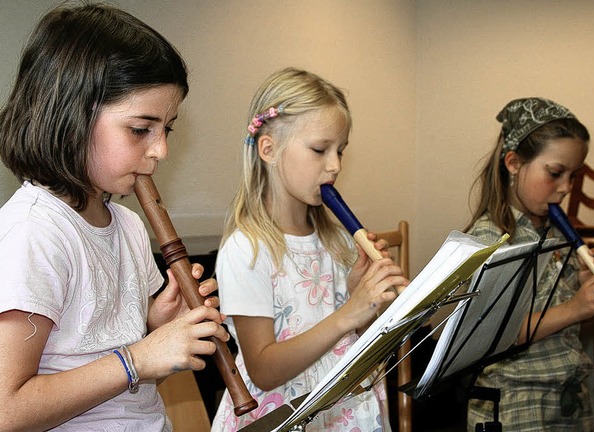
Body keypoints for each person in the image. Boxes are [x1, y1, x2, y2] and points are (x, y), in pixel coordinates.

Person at [0, 4, 229, 430]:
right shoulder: (33, 231)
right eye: (141, 129)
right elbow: (7, 410)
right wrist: (140, 358)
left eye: (168, 129)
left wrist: (157, 325)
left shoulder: (127, 225)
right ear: (71, 116)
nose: (160, 149)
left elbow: (94, 350)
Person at [210, 67, 408, 431]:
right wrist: (349, 312)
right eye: (319, 150)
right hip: (284, 414)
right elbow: (264, 370)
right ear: (268, 149)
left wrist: (368, 305)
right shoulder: (247, 250)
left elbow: (351, 341)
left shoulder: (337, 242)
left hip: (346, 409)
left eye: (340, 151)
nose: (334, 166)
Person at [464, 97, 594, 431]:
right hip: (515, 404)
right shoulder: (489, 239)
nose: (565, 188)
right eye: (555, 173)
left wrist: (584, 294)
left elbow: (567, 332)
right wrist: (576, 308)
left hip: (568, 398)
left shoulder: (553, 232)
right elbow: (493, 333)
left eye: (573, 176)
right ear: (513, 163)